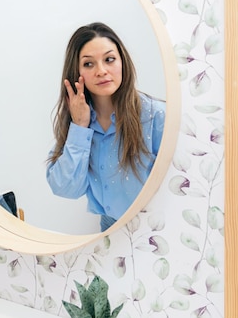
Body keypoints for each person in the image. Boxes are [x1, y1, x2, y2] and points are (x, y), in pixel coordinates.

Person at [46, 22, 165, 232]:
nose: (101, 71)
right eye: (89, 64)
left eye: (109, 60)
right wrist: (80, 127)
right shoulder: (78, 125)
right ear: (77, 72)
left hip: (156, 231)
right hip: (109, 236)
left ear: (122, 63)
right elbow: (65, 188)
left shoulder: (155, 116)